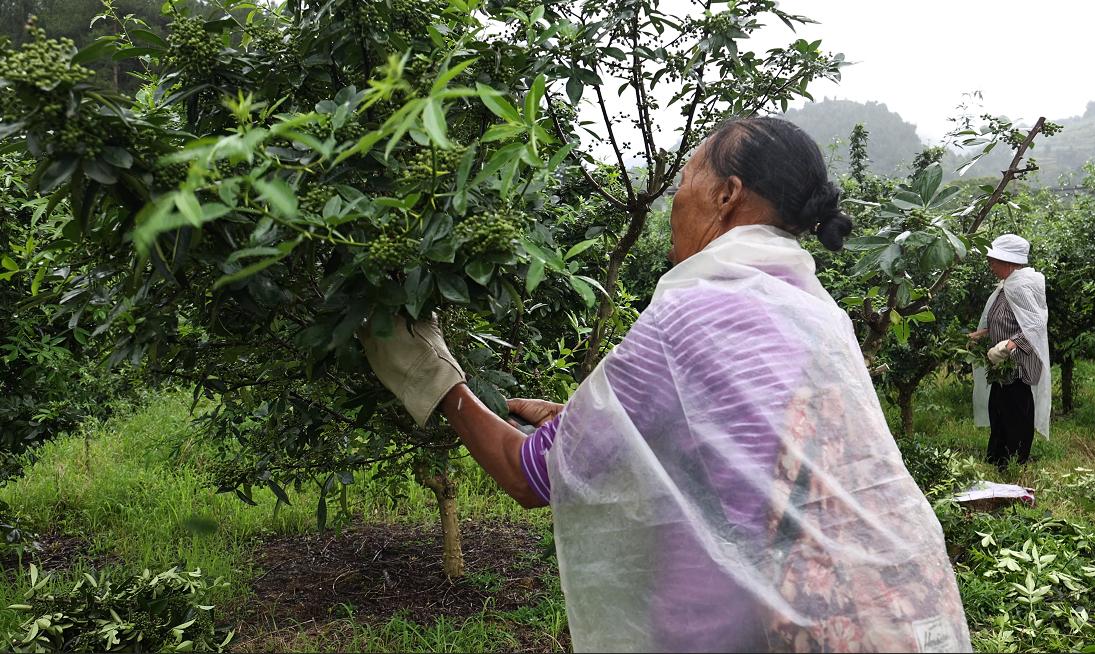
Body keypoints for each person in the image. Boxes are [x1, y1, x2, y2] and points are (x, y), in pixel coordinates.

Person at [360, 117, 971, 653]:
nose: (674, 201)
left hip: (721, 629)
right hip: (846, 611)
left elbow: (529, 476)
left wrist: (437, 379)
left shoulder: (689, 315)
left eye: (684, 182)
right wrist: (594, 421)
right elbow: (749, 445)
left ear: (728, 195)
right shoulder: (816, 311)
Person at [968, 234, 1051, 471]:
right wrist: (982, 333)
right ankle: (997, 460)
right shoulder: (1007, 286)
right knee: (999, 410)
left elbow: (1036, 324)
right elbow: (1005, 318)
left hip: (1018, 366)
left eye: (993, 260)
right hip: (1002, 366)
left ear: (1008, 262)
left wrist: (1008, 345)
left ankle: (1014, 463)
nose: (990, 265)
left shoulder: (1021, 286)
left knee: (1016, 413)